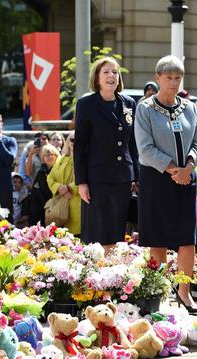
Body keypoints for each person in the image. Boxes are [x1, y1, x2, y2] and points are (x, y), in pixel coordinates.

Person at [135, 55, 197, 315]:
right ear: (158, 78)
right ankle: (160, 292)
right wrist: (173, 169)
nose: (173, 83)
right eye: (168, 78)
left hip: (186, 178)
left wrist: (188, 167)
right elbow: (145, 148)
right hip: (157, 178)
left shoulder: (189, 107)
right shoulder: (145, 108)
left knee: (187, 238)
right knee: (158, 238)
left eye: (177, 78)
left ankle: (184, 292)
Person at [74, 56, 139, 252]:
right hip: (97, 179)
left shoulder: (128, 103)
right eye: (106, 72)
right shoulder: (87, 104)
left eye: (115, 72)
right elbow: (80, 146)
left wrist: (136, 175)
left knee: (117, 230)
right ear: (97, 78)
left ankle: (114, 276)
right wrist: (81, 182)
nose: (111, 76)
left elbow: (133, 143)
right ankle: (96, 276)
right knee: (97, 232)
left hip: (122, 179)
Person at [46, 132, 81, 235]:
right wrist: (59, 188)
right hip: (61, 206)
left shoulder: (86, 159)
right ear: (67, 142)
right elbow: (50, 178)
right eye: (72, 139)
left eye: (77, 140)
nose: (74, 142)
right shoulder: (60, 159)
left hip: (77, 204)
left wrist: (69, 188)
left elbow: (86, 179)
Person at [28, 144, 59, 225]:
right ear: (43, 158)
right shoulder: (41, 171)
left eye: (51, 154)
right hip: (39, 206)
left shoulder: (59, 170)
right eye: (46, 155)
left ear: (56, 155)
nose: (49, 157)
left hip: (55, 206)